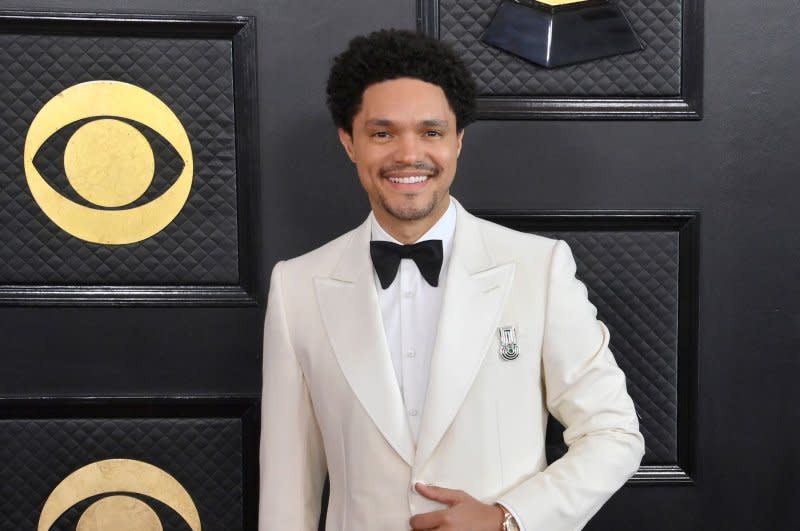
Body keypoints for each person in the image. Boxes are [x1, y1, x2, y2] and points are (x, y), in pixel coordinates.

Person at [259, 29, 644, 531]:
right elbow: (288, 489)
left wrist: (509, 519)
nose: (408, 154)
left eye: (431, 132)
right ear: (348, 142)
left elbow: (613, 433)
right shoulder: (296, 287)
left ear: (458, 139)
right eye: (382, 133)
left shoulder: (538, 267)